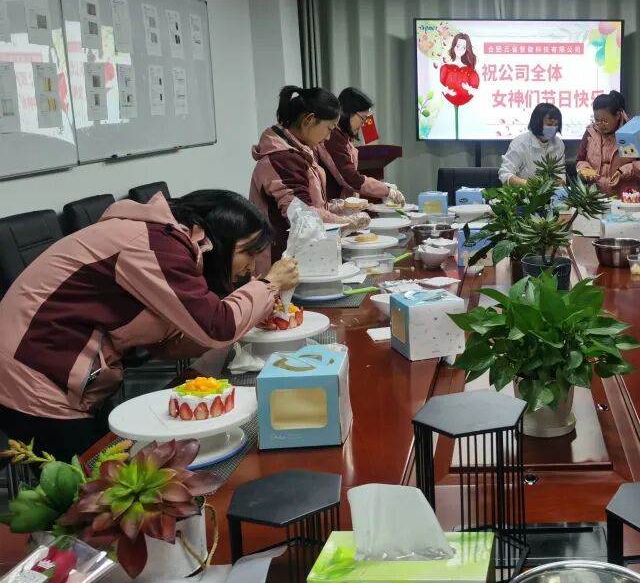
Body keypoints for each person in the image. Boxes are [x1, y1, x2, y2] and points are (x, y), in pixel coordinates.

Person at [0, 190, 300, 459]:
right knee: (87, 487)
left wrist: (246, 315)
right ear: (218, 239)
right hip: (35, 373)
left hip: (68, 372)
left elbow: (168, 344)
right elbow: (217, 326)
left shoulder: (171, 246)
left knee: (109, 470)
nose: (251, 267)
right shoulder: (155, 245)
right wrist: (269, 285)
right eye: (248, 252)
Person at [250, 85, 369, 262]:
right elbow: (301, 214)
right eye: (329, 129)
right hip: (280, 257)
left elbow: (310, 203)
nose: (328, 137)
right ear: (308, 120)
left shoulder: (298, 152)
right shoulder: (283, 158)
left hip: (300, 252)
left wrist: (340, 208)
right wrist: (346, 222)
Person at [316, 87, 404, 204]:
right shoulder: (333, 137)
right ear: (347, 112)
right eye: (362, 119)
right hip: (330, 205)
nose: (363, 125)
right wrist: (386, 190)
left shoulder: (344, 137)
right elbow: (350, 178)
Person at [576, 90, 640, 197]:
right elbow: (580, 159)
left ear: (618, 115)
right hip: (596, 197)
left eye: (605, 121)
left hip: (629, 197)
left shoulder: (636, 129)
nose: (600, 125)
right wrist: (585, 169)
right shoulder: (590, 132)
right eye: (597, 120)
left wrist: (625, 171)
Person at [499, 103, 566, 186]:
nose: (553, 129)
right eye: (549, 125)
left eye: (556, 125)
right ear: (537, 123)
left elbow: (560, 175)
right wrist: (531, 185)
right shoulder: (521, 143)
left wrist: (552, 185)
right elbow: (505, 174)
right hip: (523, 191)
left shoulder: (558, 144)